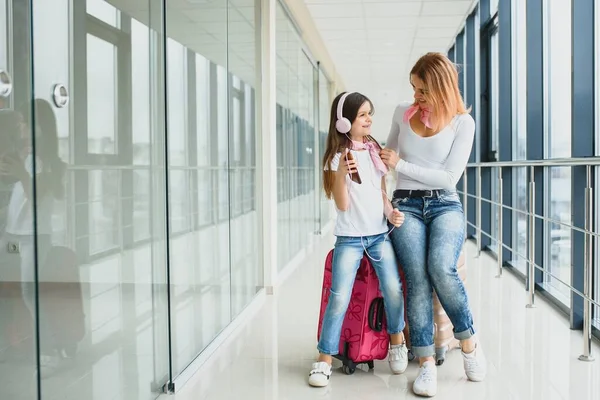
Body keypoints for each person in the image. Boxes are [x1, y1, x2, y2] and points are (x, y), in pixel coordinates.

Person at [380, 52, 487, 397]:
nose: (416, 97)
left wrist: (401, 165)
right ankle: (425, 363)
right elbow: (387, 159)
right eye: (414, 89)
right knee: (418, 276)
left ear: (441, 89)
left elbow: (448, 177)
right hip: (405, 205)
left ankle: (469, 341)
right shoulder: (402, 113)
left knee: (442, 268)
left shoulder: (462, 123)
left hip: (445, 204)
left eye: (423, 91)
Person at [308, 91, 408, 388]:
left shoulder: (375, 148)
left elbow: (380, 192)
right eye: (363, 114)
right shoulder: (336, 157)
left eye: (369, 114)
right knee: (339, 296)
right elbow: (341, 204)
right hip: (350, 239)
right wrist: (340, 173)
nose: (369, 119)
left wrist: (391, 213)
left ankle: (396, 340)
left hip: (379, 235)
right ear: (343, 122)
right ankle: (324, 359)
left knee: (393, 287)